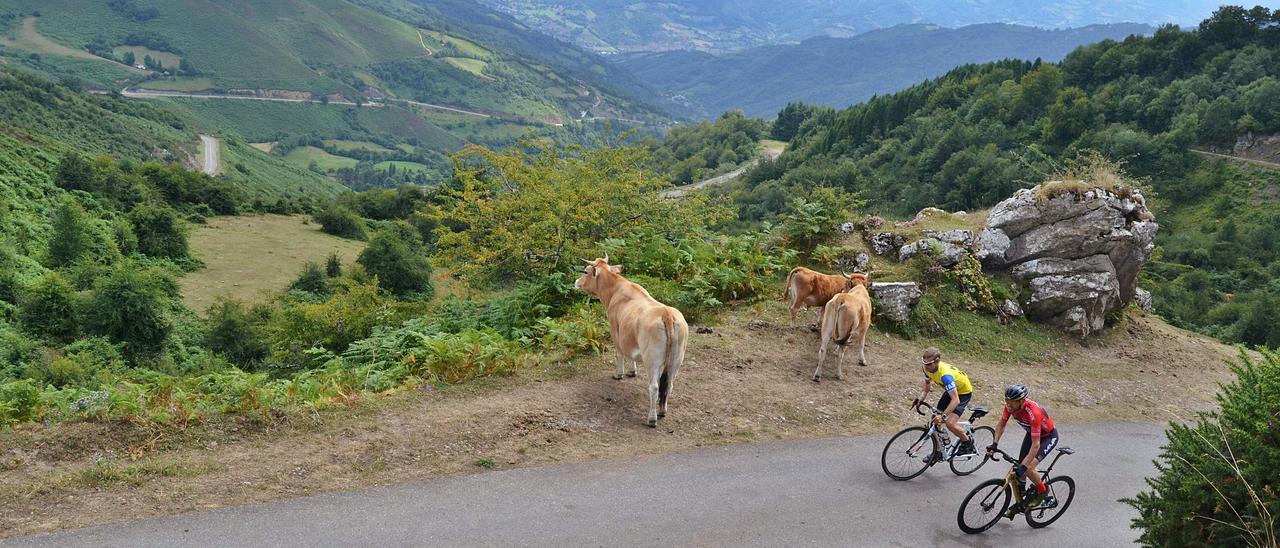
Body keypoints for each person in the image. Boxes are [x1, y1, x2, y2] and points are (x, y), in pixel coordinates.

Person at [987, 383, 1059, 510]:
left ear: (1022, 401)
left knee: (1027, 468)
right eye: (1007, 401)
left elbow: (1036, 445)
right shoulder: (1009, 407)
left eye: (1013, 403)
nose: (1009, 405)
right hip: (1032, 434)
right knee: (1020, 466)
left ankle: (1042, 491)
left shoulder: (1033, 413)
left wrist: (1024, 466)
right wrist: (994, 443)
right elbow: (1001, 424)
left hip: (1047, 437)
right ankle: (1023, 497)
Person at [911, 347, 976, 459]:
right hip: (951, 390)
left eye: (929, 364)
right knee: (935, 421)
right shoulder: (926, 369)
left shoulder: (945, 376)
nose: (926, 366)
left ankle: (967, 443)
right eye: (924, 363)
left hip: (963, 393)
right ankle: (938, 452)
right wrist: (920, 398)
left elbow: (955, 400)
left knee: (950, 423)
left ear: (937, 362)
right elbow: (927, 387)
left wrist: (943, 416)